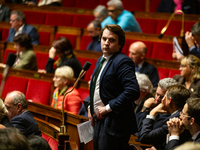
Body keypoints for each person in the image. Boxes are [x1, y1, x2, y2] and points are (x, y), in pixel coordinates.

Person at [88, 24, 140, 150]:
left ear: (120, 44)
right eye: (104, 38)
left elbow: (132, 91)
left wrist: (107, 108)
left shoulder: (122, 61)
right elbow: (98, 87)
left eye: (111, 40)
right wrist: (91, 106)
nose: (106, 43)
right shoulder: (101, 59)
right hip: (101, 120)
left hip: (115, 124)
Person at [138, 85, 191, 150]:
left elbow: (144, 137)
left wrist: (152, 113)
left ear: (170, 100)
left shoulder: (174, 120)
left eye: (164, 97)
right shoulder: (175, 115)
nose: (162, 100)